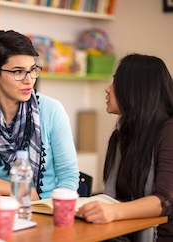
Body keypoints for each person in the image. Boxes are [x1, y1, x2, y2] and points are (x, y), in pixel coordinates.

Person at [0, 30, 79, 200]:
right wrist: (20, 190)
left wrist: (50, 210)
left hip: (45, 208)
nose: (29, 80)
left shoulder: (52, 110)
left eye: (32, 70)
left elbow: (69, 176)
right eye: (18, 72)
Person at [77, 53, 173, 242]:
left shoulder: (168, 131)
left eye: (115, 83)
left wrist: (113, 211)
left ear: (136, 90)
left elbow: (165, 200)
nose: (107, 89)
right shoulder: (122, 134)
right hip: (124, 234)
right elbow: (115, 197)